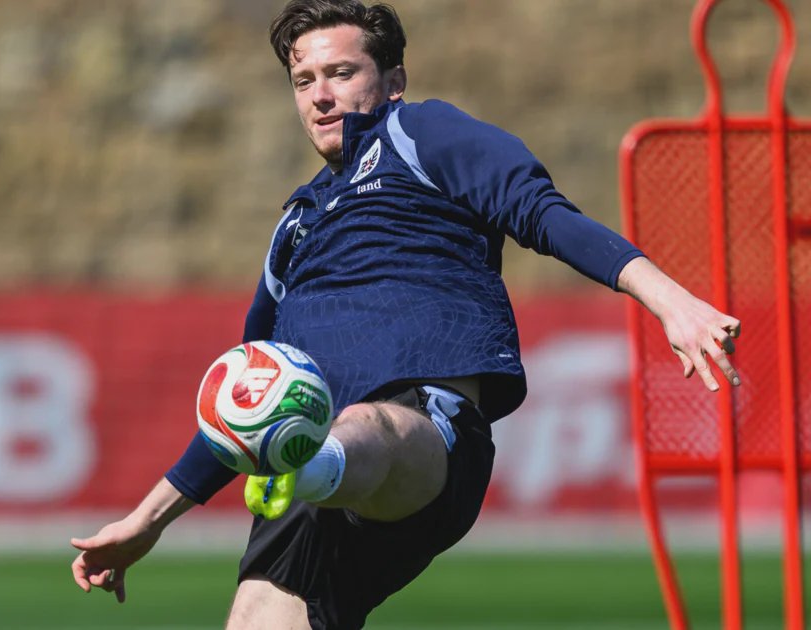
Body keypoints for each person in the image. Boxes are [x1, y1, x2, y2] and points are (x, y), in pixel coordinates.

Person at [70, 1, 742, 628]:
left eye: (341, 73)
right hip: (307, 473)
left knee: (365, 426)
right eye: (304, 80)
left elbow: (543, 214)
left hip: (425, 434)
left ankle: (309, 463)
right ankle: (304, 465)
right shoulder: (293, 229)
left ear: (392, 81)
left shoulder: (419, 133)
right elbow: (242, 410)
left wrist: (670, 301)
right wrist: (146, 522)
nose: (321, 94)